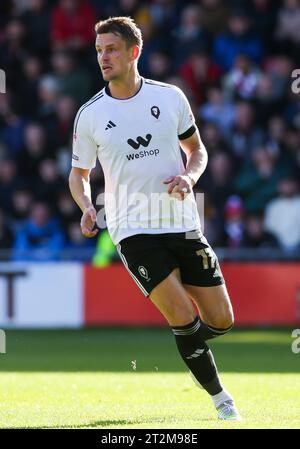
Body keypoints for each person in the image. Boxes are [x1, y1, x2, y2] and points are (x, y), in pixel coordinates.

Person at [69, 16, 241, 421]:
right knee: (182, 316)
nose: (103, 57)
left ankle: (188, 346)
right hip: (133, 229)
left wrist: (190, 175)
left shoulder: (170, 97)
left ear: (134, 52)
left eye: (111, 49)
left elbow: (197, 151)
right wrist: (87, 207)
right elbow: (78, 175)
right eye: (98, 51)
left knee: (222, 319)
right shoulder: (90, 114)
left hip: (183, 221)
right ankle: (222, 399)